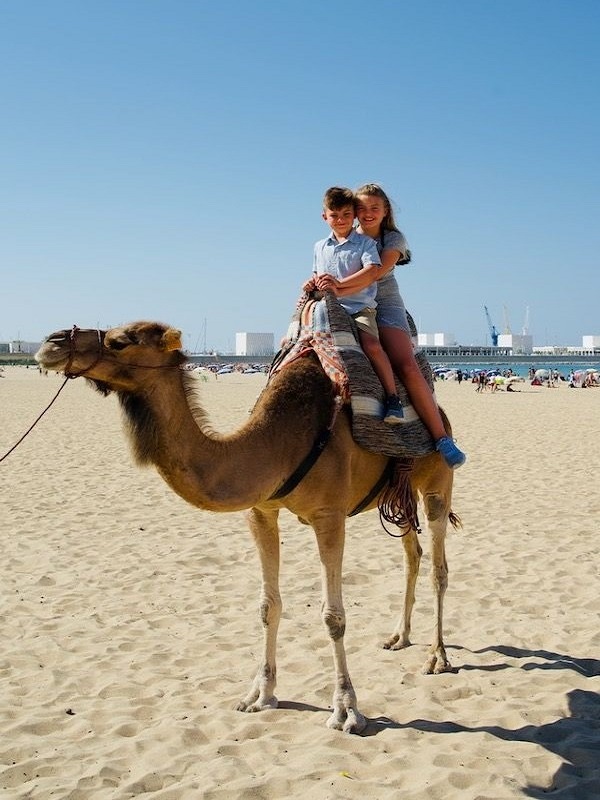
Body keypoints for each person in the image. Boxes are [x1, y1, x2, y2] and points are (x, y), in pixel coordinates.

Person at [353, 183, 466, 469]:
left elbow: (376, 272)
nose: (368, 214)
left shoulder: (394, 239)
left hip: (384, 304)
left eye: (374, 208)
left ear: (385, 210)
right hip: (351, 300)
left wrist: (337, 285)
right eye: (362, 208)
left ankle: (442, 438)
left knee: (406, 365)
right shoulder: (345, 237)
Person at [304, 186, 404, 423]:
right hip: (328, 307)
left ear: (353, 216)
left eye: (346, 215)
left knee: (372, 345)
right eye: (334, 215)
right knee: (297, 342)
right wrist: (312, 282)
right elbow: (318, 273)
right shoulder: (319, 246)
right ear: (324, 217)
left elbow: (371, 273)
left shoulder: (365, 244)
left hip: (359, 307)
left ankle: (393, 398)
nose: (340, 220)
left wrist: (337, 286)